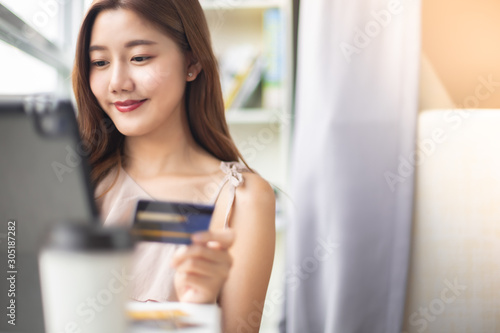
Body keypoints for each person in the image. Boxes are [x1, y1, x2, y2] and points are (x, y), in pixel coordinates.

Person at [72, 0, 276, 331]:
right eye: (99, 62)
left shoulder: (244, 200)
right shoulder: (75, 184)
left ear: (192, 62)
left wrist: (198, 309)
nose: (117, 82)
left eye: (139, 57)